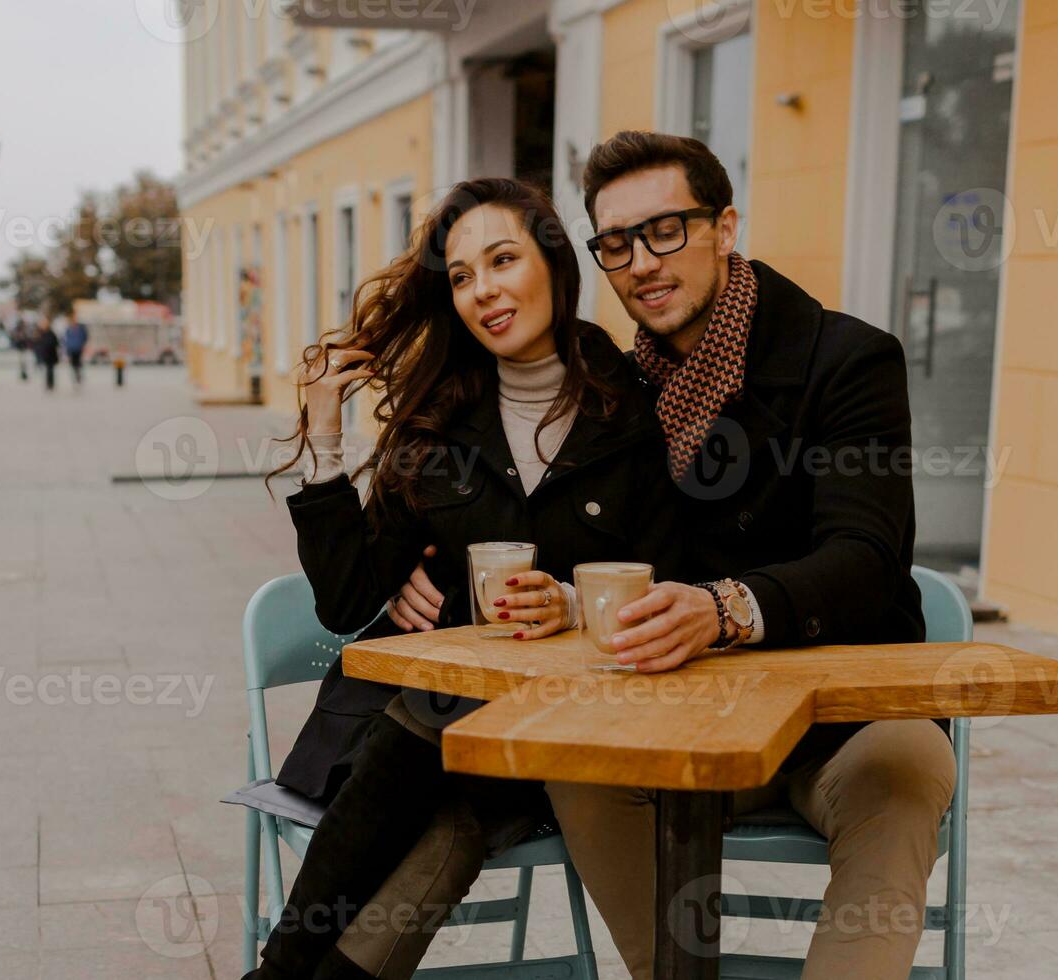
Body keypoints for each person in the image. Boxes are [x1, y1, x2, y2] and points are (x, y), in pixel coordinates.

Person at [387, 132, 956, 980]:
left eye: (666, 231)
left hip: (836, 722)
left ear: (725, 228)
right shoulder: (610, 387)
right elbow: (549, 524)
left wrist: (725, 607)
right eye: (616, 244)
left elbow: (868, 559)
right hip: (663, 721)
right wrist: (428, 566)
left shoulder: (844, 360)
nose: (641, 263)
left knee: (908, 764)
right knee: (571, 764)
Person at [246, 178, 683, 980]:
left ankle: (277, 972)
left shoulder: (633, 410)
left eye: (503, 260)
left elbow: (670, 572)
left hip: (563, 727)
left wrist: (571, 603)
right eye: (460, 275)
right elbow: (346, 600)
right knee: (447, 790)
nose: (483, 290)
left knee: (444, 755)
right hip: (418, 737)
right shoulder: (437, 419)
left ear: (553, 263)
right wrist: (323, 437)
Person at [33, 319, 60, 391]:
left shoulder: (51, 333)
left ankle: (50, 384)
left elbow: (55, 343)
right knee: (47, 370)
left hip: (51, 354)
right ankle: (48, 383)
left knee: (50, 370)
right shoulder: (41, 333)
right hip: (45, 355)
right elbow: (37, 343)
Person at [63, 313, 88, 386]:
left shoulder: (81, 328)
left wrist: (83, 345)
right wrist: (67, 348)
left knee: (79, 363)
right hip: (71, 348)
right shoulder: (68, 329)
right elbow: (66, 339)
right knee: (73, 363)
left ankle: (78, 375)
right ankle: (76, 375)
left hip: (79, 348)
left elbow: (85, 337)